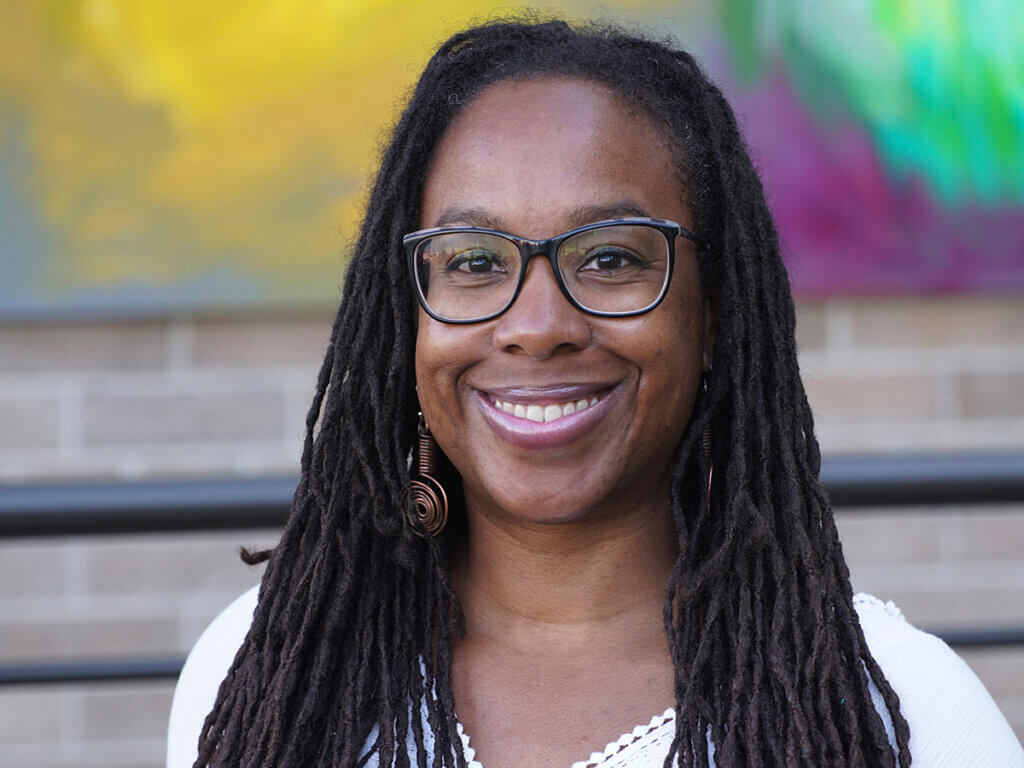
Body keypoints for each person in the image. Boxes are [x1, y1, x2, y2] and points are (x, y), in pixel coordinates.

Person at [166, 17, 1024, 768]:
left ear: (714, 312)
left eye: (610, 258)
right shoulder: (264, 670)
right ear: (405, 317)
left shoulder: (902, 713)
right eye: (473, 261)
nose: (538, 325)